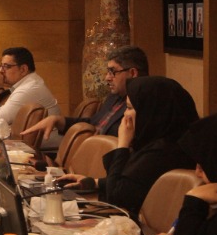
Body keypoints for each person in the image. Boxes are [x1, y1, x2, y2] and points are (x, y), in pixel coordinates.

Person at [62, 75, 198, 215]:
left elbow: (117, 197)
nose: (125, 115)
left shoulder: (163, 153)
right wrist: (94, 182)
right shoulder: (156, 142)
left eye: (129, 108)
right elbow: (132, 183)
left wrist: (123, 144)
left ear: (151, 111)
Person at [22, 45, 149, 141]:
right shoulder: (115, 97)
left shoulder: (144, 106)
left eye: (113, 72)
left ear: (132, 73)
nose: (107, 78)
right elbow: (93, 123)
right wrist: (58, 120)